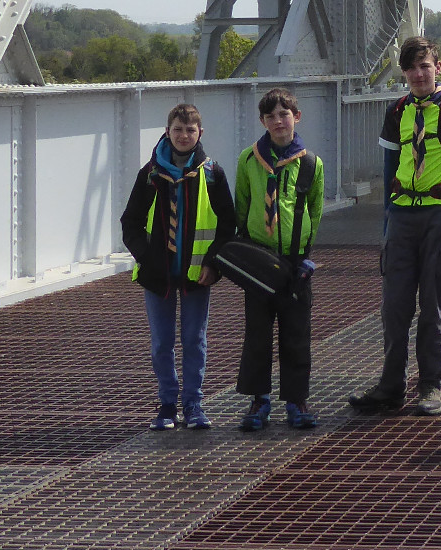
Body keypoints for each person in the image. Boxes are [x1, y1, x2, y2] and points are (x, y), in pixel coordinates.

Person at [350, 36, 441, 417]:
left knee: (431, 307)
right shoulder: (397, 111)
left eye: (425, 66)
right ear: (404, 73)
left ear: (438, 68)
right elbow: (389, 170)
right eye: (411, 68)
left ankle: (431, 386)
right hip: (402, 217)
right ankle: (391, 386)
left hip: (438, 216)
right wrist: (387, 226)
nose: (419, 75)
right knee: (394, 307)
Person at [121, 103, 235, 431]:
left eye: (190, 130)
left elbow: (227, 224)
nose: (184, 136)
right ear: (167, 132)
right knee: (162, 342)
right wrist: (147, 257)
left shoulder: (211, 173)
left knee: (194, 340)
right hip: (158, 274)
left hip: (196, 273)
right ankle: (168, 403)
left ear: (200, 133)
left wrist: (213, 265)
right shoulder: (150, 174)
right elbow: (130, 222)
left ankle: (193, 404)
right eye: (178, 130)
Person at [233, 88, 325, 431]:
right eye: (270, 116)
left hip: (295, 262)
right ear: (262, 121)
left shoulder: (311, 163)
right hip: (260, 259)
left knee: (297, 334)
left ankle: (296, 400)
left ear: (296, 117)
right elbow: (242, 205)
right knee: (257, 334)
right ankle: (259, 400)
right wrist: (244, 251)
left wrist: (306, 254)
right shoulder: (248, 160)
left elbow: (315, 209)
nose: (278, 121)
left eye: (284, 114)